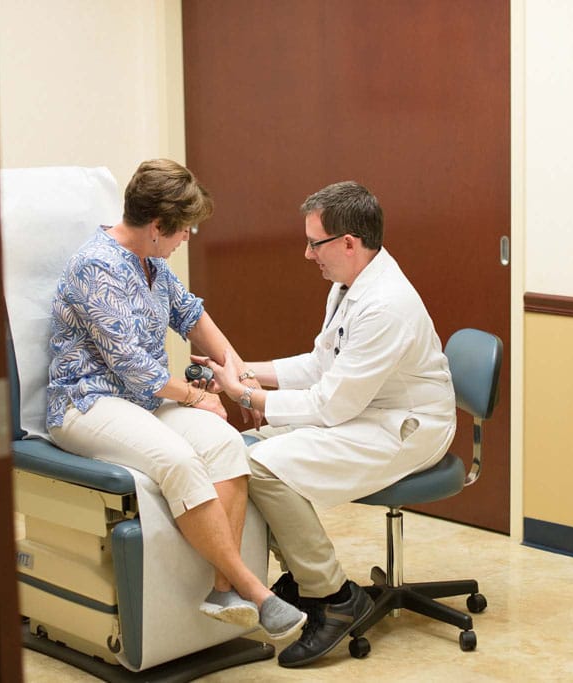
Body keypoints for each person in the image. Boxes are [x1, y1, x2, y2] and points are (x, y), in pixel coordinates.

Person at [45, 158, 305, 640]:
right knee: (179, 460)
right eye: (184, 229)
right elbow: (132, 365)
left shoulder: (152, 264)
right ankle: (256, 591)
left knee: (226, 444)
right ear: (157, 226)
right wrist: (195, 396)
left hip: (140, 401)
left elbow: (193, 318)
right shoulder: (96, 267)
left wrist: (242, 382)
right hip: (86, 402)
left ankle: (221, 590)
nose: (187, 237)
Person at [202, 181, 457, 667]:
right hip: (366, 409)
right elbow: (321, 364)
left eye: (314, 243)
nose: (307, 254)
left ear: (349, 243)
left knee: (262, 465)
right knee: (243, 448)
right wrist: (245, 372)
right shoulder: (348, 287)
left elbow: (331, 405)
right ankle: (305, 579)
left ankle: (335, 597)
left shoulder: (385, 306)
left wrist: (246, 395)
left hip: (406, 427)